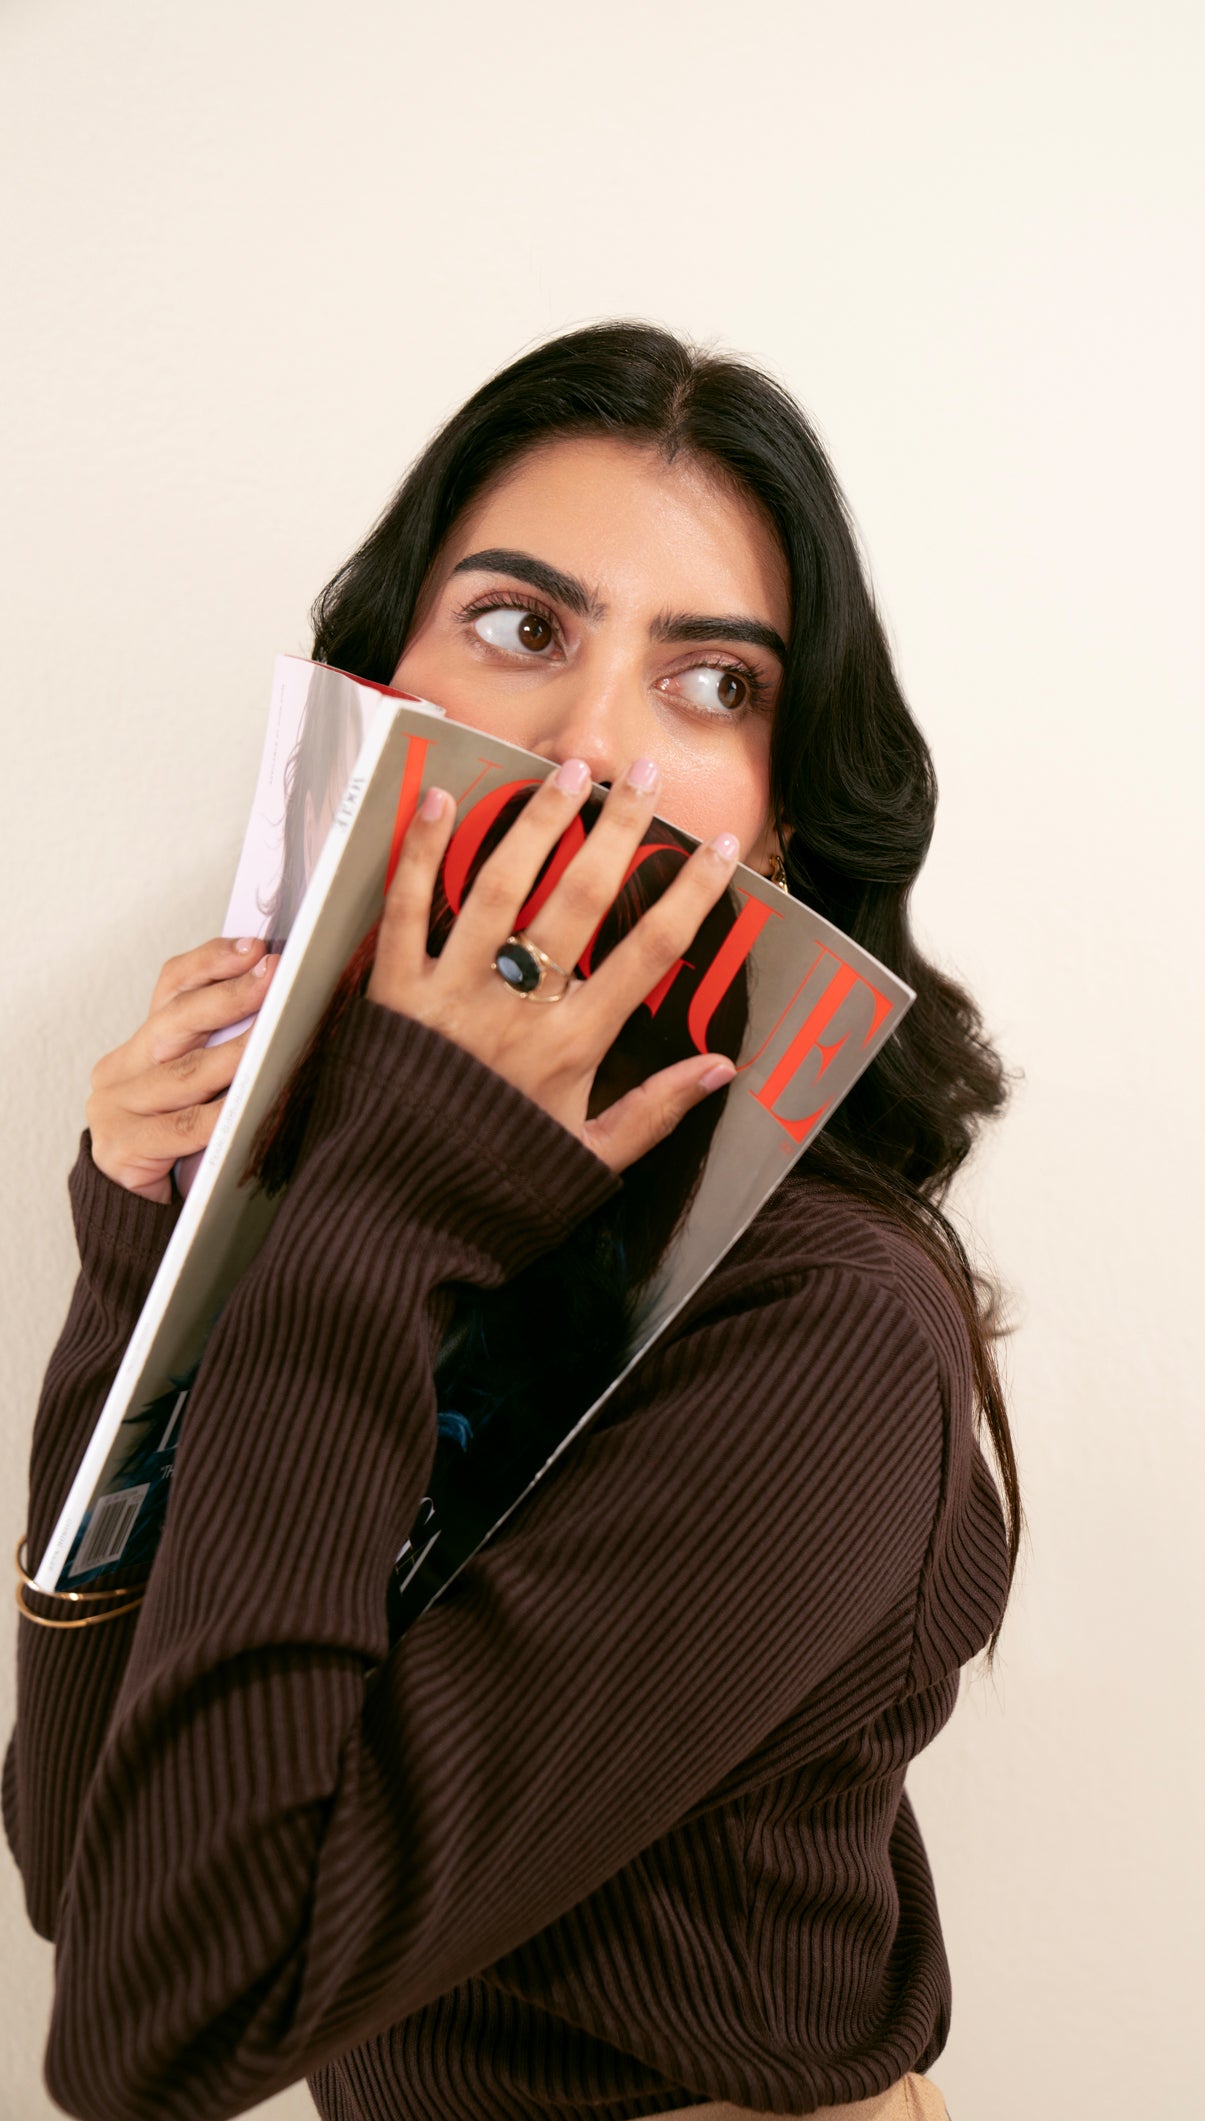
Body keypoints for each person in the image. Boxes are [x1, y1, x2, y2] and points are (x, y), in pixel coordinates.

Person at [5, 323, 1020, 2121]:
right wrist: (152, 1246)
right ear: (370, 692)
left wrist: (376, 1215)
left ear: (776, 829)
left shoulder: (820, 1328)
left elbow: (151, 2045)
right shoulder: (388, 1198)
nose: (591, 750)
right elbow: (99, 1883)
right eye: (522, 627)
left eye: (713, 683)